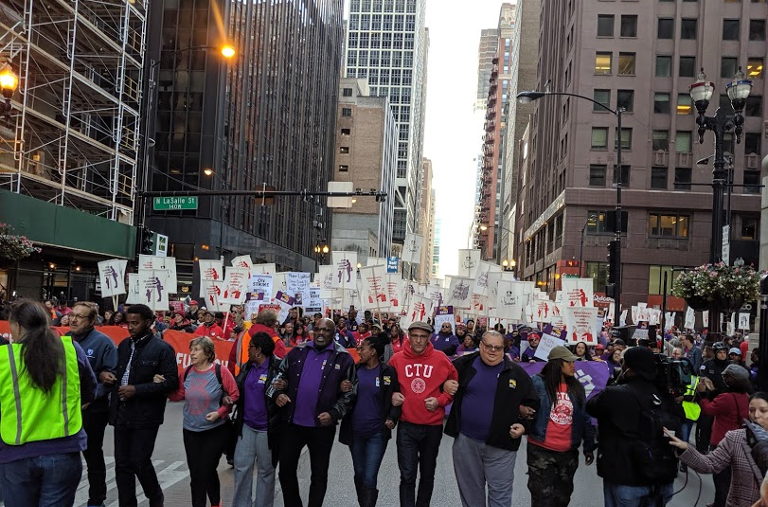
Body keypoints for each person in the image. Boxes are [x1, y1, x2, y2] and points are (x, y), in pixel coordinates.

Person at [0, 299, 96, 506]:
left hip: (16, 453)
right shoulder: (71, 349)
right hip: (64, 451)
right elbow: (89, 391)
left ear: (17, 325)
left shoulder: (4, 357)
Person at [443, 330, 538, 507]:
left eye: (498, 347)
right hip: (466, 441)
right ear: (480, 346)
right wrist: (445, 383)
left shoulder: (517, 374)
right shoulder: (463, 365)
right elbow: (439, 377)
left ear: (504, 349)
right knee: (471, 494)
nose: (492, 351)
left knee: (500, 496)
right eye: (488, 346)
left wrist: (524, 425)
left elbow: (534, 405)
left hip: (502, 445)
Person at [273, 317, 357, 507]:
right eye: (317, 329)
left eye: (326, 330)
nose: (320, 333)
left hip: (321, 426)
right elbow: (279, 375)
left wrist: (334, 413)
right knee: (285, 470)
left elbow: (351, 392)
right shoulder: (298, 351)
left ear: (333, 333)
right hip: (292, 423)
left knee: (319, 475)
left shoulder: (343, 357)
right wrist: (278, 392)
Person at [587, 346, 683, 506]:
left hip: (626, 479)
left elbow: (591, 406)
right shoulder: (665, 396)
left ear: (628, 368)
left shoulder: (616, 393)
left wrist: (618, 380)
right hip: (661, 480)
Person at [110, 304, 179, 507]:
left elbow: (171, 382)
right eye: (128, 323)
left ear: (148, 323)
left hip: (146, 414)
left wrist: (137, 390)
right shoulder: (123, 345)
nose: (130, 327)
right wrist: (109, 376)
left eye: (135, 323)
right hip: (121, 411)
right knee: (122, 464)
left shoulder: (162, 349)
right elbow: (118, 371)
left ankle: (155, 496)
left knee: (139, 460)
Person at [389, 321, 458, 507]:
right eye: (415, 336)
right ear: (409, 337)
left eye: (423, 336)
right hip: (407, 426)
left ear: (429, 338)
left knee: (427, 474)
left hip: (432, 426)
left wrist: (440, 401)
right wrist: (392, 394)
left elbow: (453, 387)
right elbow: (387, 384)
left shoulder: (441, 358)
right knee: (407, 475)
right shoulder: (396, 359)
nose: (419, 340)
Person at [165, 337, 240, 507]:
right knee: (196, 474)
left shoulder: (220, 372)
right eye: (191, 349)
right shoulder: (187, 371)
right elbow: (179, 394)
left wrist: (219, 413)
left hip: (215, 430)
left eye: (197, 350)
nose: (192, 353)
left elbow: (234, 394)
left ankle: (215, 503)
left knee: (205, 470)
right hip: (190, 430)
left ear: (207, 353)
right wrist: (162, 388)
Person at [669, 392, 768, 507]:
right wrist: (685, 448)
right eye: (751, 410)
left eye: (763, 410)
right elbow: (710, 464)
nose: (756, 415)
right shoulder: (735, 438)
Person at [527, 346, 596, 507]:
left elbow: (585, 418)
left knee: (562, 499)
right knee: (542, 498)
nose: (573, 366)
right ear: (557, 364)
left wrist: (589, 446)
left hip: (568, 454)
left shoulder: (577, 388)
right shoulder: (538, 383)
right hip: (541, 451)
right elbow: (523, 405)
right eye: (569, 362)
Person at [339, 334, 401, 506]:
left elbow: (395, 396)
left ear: (373, 351)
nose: (359, 351)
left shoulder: (387, 372)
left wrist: (392, 418)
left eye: (363, 348)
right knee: (359, 472)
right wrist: (341, 387)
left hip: (377, 433)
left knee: (369, 475)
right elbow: (343, 395)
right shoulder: (355, 370)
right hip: (355, 431)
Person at [69, 301, 118, 507]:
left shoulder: (104, 343)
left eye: (80, 316)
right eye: (72, 314)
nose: (73, 319)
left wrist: (91, 397)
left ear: (91, 321)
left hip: (93, 410)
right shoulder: (63, 340)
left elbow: (111, 375)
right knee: (67, 457)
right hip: (68, 409)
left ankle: (96, 499)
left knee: (93, 456)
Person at [232, 332, 281, 507]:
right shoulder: (247, 367)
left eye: (250, 347)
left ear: (258, 350)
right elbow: (237, 389)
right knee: (241, 468)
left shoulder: (278, 368)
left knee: (266, 472)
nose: (247, 350)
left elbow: (283, 393)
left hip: (267, 429)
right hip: (246, 426)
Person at [697, 363, 752, 507]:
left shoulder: (726, 398)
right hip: (740, 441)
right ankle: (720, 502)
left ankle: (720, 503)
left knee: (720, 477)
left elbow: (708, 409)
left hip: (721, 440)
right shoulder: (746, 396)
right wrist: (713, 391)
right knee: (731, 477)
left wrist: (702, 394)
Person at [229, 309, 287, 378]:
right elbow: (280, 367)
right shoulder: (276, 341)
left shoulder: (243, 335)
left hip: (241, 377)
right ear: (273, 323)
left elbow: (232, 358)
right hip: (264, 382)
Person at [698, 342, 732, 453]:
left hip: (725, 401)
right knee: (706, 426)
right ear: (715, 353)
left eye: (724, 353)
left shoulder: (731, 365)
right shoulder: (707, 364)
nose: (722, 355)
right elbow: (702, 376)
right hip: (711, 400)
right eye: (720, 353)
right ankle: (702, 450)